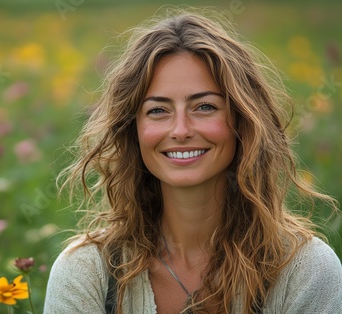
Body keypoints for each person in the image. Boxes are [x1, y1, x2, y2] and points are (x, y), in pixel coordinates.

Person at [43, 7, 342, 314]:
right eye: (158, 110)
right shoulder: (85, 273)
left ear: (242, 121)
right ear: (133, 130)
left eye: (204, 106)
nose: (181, 130)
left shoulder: (307, 271)